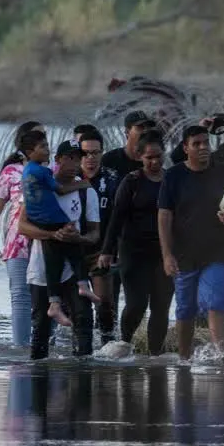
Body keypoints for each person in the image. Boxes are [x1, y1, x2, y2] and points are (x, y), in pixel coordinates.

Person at [158, 124, 224, 360]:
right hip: (184, 253)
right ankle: (184, 359)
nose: (204, 147)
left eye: (206, 142)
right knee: (185, 309)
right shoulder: (174, 175)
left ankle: (222, 355)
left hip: (218, 250)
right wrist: (166, 255)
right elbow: (164, 216)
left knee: (216, 301)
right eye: (197, 144)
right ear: (186, 148)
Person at [18, 146, 101, 359]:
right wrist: (53, 235)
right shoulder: (38, 183)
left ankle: (83, 372)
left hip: (73, 267)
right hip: (41, 266)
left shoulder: (86, 191)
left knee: (83, 320)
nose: (74, 164)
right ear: (57, 160)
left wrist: (77, 238)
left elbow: (94, 235)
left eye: (78, 159)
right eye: (69, 159)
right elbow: (23, 227)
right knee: (41, 328)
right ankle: (38, 375)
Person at [0, 121, 45, 346]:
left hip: (46, 241)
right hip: (18, 243)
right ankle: (22, 348)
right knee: (21, 297)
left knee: (47, 297)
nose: (46, 143)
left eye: (46, 138)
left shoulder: (53, 170)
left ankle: (44, 344)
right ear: (26, 143)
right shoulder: (11, 172)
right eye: (40, 137)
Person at [99, 130, 173, 356]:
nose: (154, 161)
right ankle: (125, 344)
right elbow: (117, 217)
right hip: (133, 251)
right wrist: (107, 251)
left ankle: (154, 355)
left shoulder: (171, 180)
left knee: (161, 307)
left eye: (158, 156)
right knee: (136, 304)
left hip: (163, 252)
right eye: (149, 157)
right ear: (140, 156)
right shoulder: (131, 182)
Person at [100, 110, 156, 326]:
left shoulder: (153, 163)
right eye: (139, 128)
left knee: (139, 298)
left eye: (148, 128)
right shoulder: (111, 160)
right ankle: (105, 342)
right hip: (112, 237)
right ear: (127, 132)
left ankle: (131, 340)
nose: (145, 132)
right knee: (108, 299)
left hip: (140, 240)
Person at [76, 127, 120, 346]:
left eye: (95, 152)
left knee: (104, 304)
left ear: (102, 153)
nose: (90, 158)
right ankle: (76, 345)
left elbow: (118, 218)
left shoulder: (112, 180)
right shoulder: (68, 179)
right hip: (72, 250)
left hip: (100, 250)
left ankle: (107, 345)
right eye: (85, 153)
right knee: (73, 304)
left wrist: (111, 249)